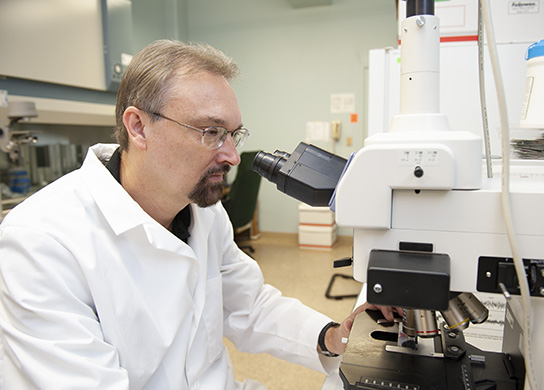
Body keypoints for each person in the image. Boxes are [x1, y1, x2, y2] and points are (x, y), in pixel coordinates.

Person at [0, 39, 398, 389]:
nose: (229, 155)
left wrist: (334, 336)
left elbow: (248, 305)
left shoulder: (201, 211)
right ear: (138, 127)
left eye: (233, 134)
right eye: (210, 132)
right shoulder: (41, 243)